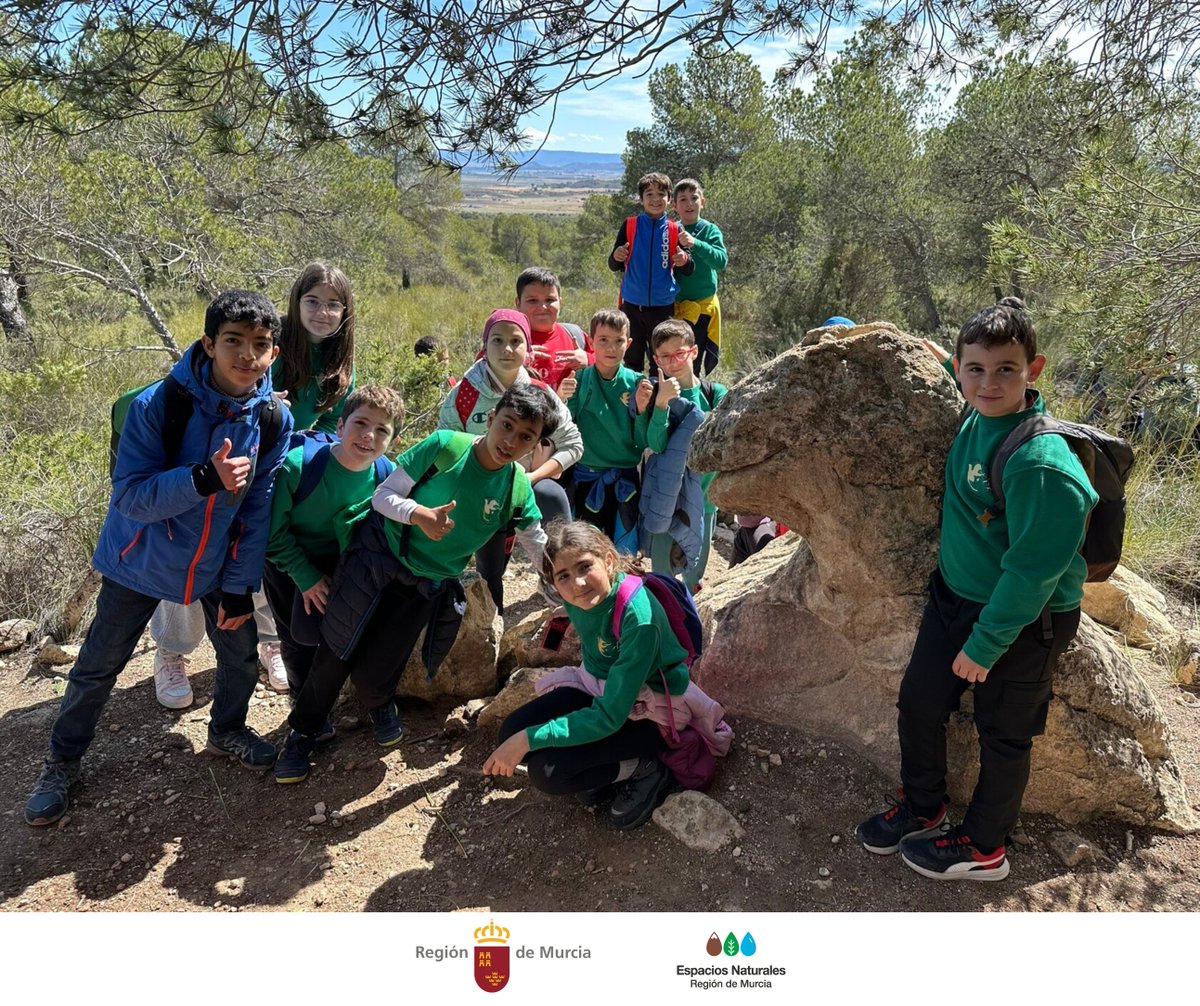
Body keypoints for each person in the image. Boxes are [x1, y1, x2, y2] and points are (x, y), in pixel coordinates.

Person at [24, 290, 293, 826]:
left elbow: (256, 508)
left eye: (260, 345)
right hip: (140, 559)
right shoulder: (159, 405)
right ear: (208, 344)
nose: (247, 355)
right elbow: (130, 496)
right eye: (233, 342)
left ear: (275, 353)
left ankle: (227, 730)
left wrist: (240, 584)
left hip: (217, 563)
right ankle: (62, 762)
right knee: (98, 666)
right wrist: (202, 479)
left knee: (239, 656)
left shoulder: (269, 418)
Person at [855, 298, 1097, 881]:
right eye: (975, 370)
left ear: (1033, 371)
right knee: (918, 702)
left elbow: (1033, 573)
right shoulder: (977, 411)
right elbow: (955, 368)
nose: (989, 383)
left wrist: (986, 644)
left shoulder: (1042, 463)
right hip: (955, 598)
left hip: (1022, 619)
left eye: (1006, 369)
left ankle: (985, 846)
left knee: (1003, 734)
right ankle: (923, 806)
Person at [273, 383, 557, 784]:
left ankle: (379, 702)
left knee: (379, 670)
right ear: (491, 418)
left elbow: (535, 540)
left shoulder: (516, 487)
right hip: (377, 556)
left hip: (427, 582)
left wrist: (565, 583)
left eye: (525, 436)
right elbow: (384, 496)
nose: (510, 441)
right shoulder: (446, 446)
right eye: (506, 425)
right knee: (336, 649)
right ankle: (301, 733)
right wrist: (419, 514)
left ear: (536, 444)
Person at [148, 263, 359, 700]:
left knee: (258, 553)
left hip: (274, 469)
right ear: (296, 302)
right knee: (192, 550)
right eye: (313, 301)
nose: (322, 312)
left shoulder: (341, 362)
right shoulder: (266, 338)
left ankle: (269, 642)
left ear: (346, 311)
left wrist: (300, 444)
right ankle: (171, 651)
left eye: (333, 304)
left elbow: (333, 426)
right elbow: (219, 380)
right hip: (219, 459)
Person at [482, 520, 689, 830]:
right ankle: (602, 767)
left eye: (584, 567)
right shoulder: (578, 597)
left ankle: (645, 768)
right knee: (510, 731)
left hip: (649, 712)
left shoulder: (639, 620)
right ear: (553, 582)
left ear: (608, 560)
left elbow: (609, 715)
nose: (577, 584)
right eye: (563, 576)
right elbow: (575, 613)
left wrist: (530, 739)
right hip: (600, 687)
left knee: (547, 772)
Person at [263, 385, 404, 717]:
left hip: (343, 561)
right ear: (339, 426)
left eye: (382, 430)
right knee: (296, 639)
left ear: (392, 441)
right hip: (288, 562)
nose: (369, 435)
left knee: (340, 632)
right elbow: (270, 535)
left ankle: (330, 696)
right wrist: (306, 577)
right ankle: (303, 707)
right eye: (360, 423)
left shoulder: (385, 475)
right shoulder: (298, 467)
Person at [438, 309, 582, 613]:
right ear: (484, 345)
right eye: (497, 340)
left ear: (528, 349)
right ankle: (491, 623)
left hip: (524, 488)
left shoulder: (540, 393)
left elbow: (573, 443)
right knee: (491, 571)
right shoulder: (464, 395)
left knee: (553, 498)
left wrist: (530, 479)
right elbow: (445, 448)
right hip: (476, 493)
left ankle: (559, 582)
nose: (506, 349)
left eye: (516, 341)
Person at [637, 318, 728, 592]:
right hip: (667, 498)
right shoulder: (653, 393)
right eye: (665, 356)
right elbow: (655, 442)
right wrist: (661, 404)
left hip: (704, 498)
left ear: (695, 351)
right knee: (662, 576)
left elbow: (721, 441)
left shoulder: (714, 394)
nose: (673, 362)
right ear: (655, 359)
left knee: (694, 574)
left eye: (680, 353)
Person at [563, 309, 648, 554]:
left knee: (625, 553)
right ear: (591, 342)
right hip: (586, 478)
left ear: (628, 343)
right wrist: (563, 398)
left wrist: (642, 411)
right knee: (586, 553)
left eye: (618, 341)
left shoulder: (637, 383)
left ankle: (622, 593)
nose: (611, 348)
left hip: (626, 481)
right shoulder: (579, 381)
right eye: (603, 340)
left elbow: (642, 440)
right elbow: (567, 428)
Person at [608, 171, 694, 372]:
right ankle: (633, 400)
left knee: (662, 360)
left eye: (661, 194)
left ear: (669, 199)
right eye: (649, 194)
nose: (655, 199)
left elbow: (689, 268)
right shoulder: (630, 226)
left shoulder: (675, 230)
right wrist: (616, 256)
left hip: (662, 307)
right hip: (632, 306)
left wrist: (684, 259)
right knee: (632, 360)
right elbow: (614, 265)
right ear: (641, 199)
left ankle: (659, 400)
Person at [671, 179, 727, 376]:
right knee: (673, 363)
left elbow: (721, 261)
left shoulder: (710, 230)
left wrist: (696, 243)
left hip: (703, 310)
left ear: (702, 202)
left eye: (694, 198)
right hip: (675, 309)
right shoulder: (670, 230)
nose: (689, 204)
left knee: (693, 364)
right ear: (674, 205)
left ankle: (694, 403)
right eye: (683, 199)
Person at [513, 266, 592, 392]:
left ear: (560, 302)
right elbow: (480, 374)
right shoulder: (507, 338)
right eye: (532, 300)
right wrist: (514, 360)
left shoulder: (575, 336)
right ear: (518, 303)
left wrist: (588, 359)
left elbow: (610, 363)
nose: (542, 307)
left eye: (550, 300)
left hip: (569, 411)